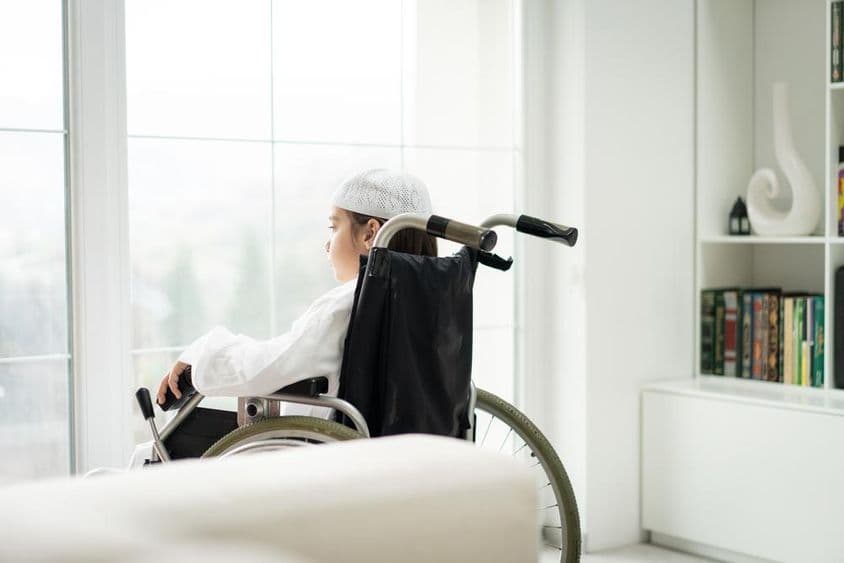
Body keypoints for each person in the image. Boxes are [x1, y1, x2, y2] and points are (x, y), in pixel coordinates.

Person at [154, 168, 437, 420]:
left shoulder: (352, 304)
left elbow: (264, 368)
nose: (327, 244)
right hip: (408, 449)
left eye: (334, 226)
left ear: (369, 234)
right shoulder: (430, 301)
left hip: (332, 453)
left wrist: (202, 353)